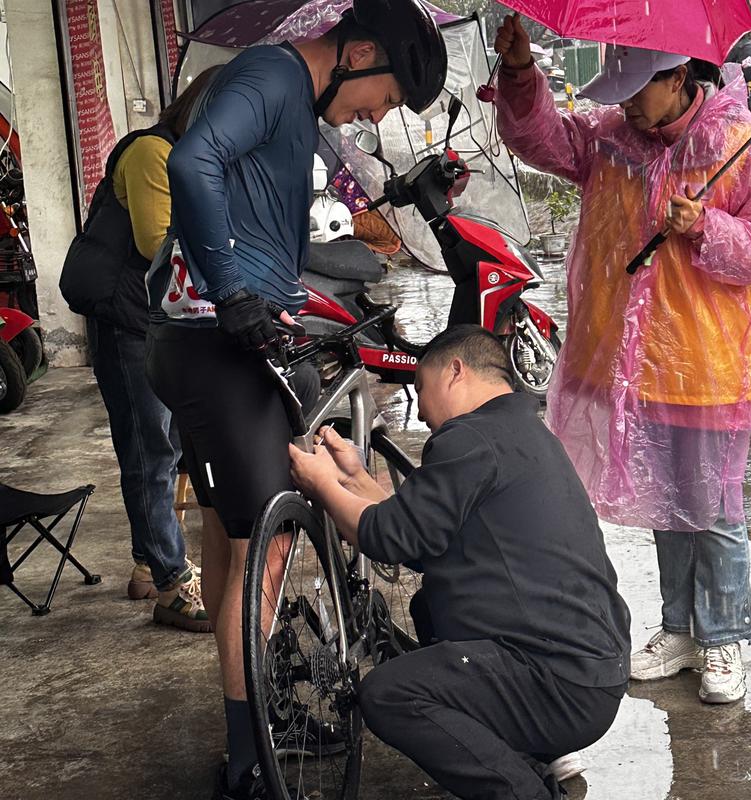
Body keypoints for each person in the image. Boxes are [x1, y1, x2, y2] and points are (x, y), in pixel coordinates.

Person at [142, 2, 447, 797]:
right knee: (264, 551)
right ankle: (250, 758)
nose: (376, 114)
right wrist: (235, 288)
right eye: (384, 96)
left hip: (212, 339)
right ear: (362, 50)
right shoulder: (273, 73)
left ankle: (250, 719)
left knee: (232, 538)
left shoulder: (291, 99)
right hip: (218, 342)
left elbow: (261, 206)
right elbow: (191, 162)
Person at [493, 16, 751, 705]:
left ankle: (722, 638)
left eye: (635, 89)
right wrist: (518, 75)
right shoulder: (610, 139)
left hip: (706, 361)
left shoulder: (741, 146)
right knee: (666, 500)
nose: (623, 103)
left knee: (712, 505)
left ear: (679, 77)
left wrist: (707, 227)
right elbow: (538, 138)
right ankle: (680, 629)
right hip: (630, 362)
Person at [289, 326, 631, 800]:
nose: (423, 411)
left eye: (422, 391)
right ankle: (521, 753)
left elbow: (387, 537)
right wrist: (354, 477)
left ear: (455, 372)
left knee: (389, 694)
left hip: (559, 684)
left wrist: (322, 485)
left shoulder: (470, 438)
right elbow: (420, 532)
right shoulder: (520, 433)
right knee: (431, 606)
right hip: (589, 672)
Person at [60, 67, 222, 632]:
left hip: (151, 319)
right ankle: (174, 585)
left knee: (161, 448)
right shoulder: (153, 152)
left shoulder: (184, 157)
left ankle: (147, 565)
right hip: (129, 322)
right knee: (151, 453)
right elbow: (158, 241)